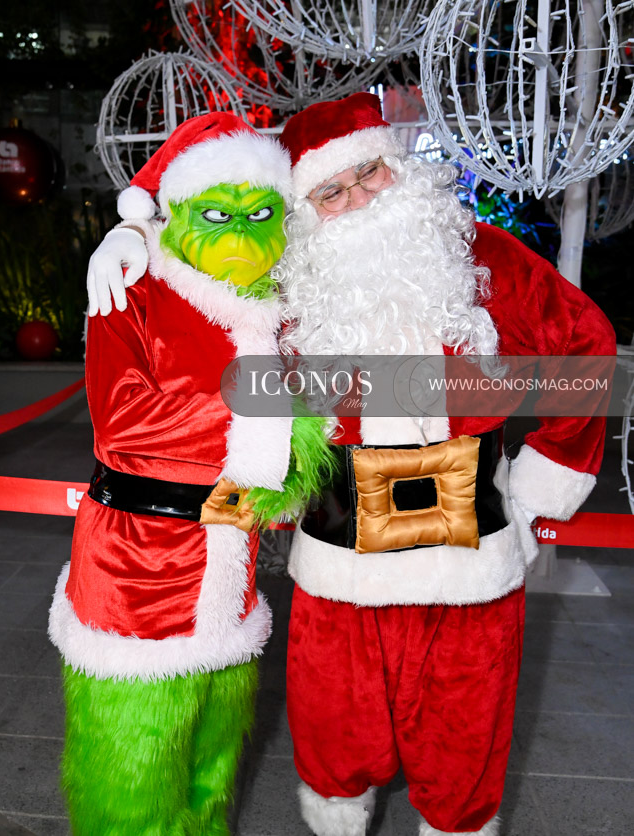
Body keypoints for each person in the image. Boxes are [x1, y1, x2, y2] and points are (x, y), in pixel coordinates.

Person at [85, 93, 615, 836]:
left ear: (396, 164)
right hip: (338, 554)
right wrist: (136, 234)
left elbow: (585, 346)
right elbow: (192, 287)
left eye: (369, 174)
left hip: (470, 551)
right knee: (334, 722)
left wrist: (542, 482)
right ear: (304, 211)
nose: (358, 198)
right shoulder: (287, 290)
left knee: (463, 728)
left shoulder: (481, 254)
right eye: (330, 192)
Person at [49, 111, 333, 836]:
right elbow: (124, 423)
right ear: (175, 214)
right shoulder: (134, 290)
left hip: (230, 569)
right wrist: (275, 414)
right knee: (133, 769)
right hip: (138, 574)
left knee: (211, 766)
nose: (239, 228)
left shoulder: (276, 309)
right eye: (217, 211)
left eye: (258, 210)